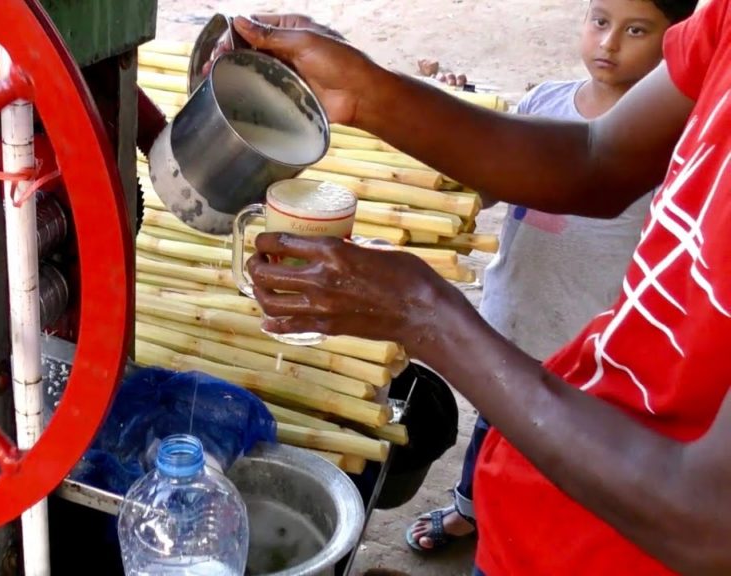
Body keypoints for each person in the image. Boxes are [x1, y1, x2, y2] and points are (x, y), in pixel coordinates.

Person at [222, 0, 731, 573]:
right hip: (532, 526)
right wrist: (363, 91)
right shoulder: (723, 25)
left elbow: (708, 522)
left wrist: (424, 315)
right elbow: (597, 156)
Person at [406, 0, 698, 554]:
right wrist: (456, 121)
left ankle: (529, 532)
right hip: (516, 310)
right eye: (599, 21)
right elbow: (487, 187)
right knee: (495, 424)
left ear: (680, 40)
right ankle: (471, 508)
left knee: (563, 449)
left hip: (592, 338)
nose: (608, 43)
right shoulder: (544, 103)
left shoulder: (673, 142)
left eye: (636, 30)